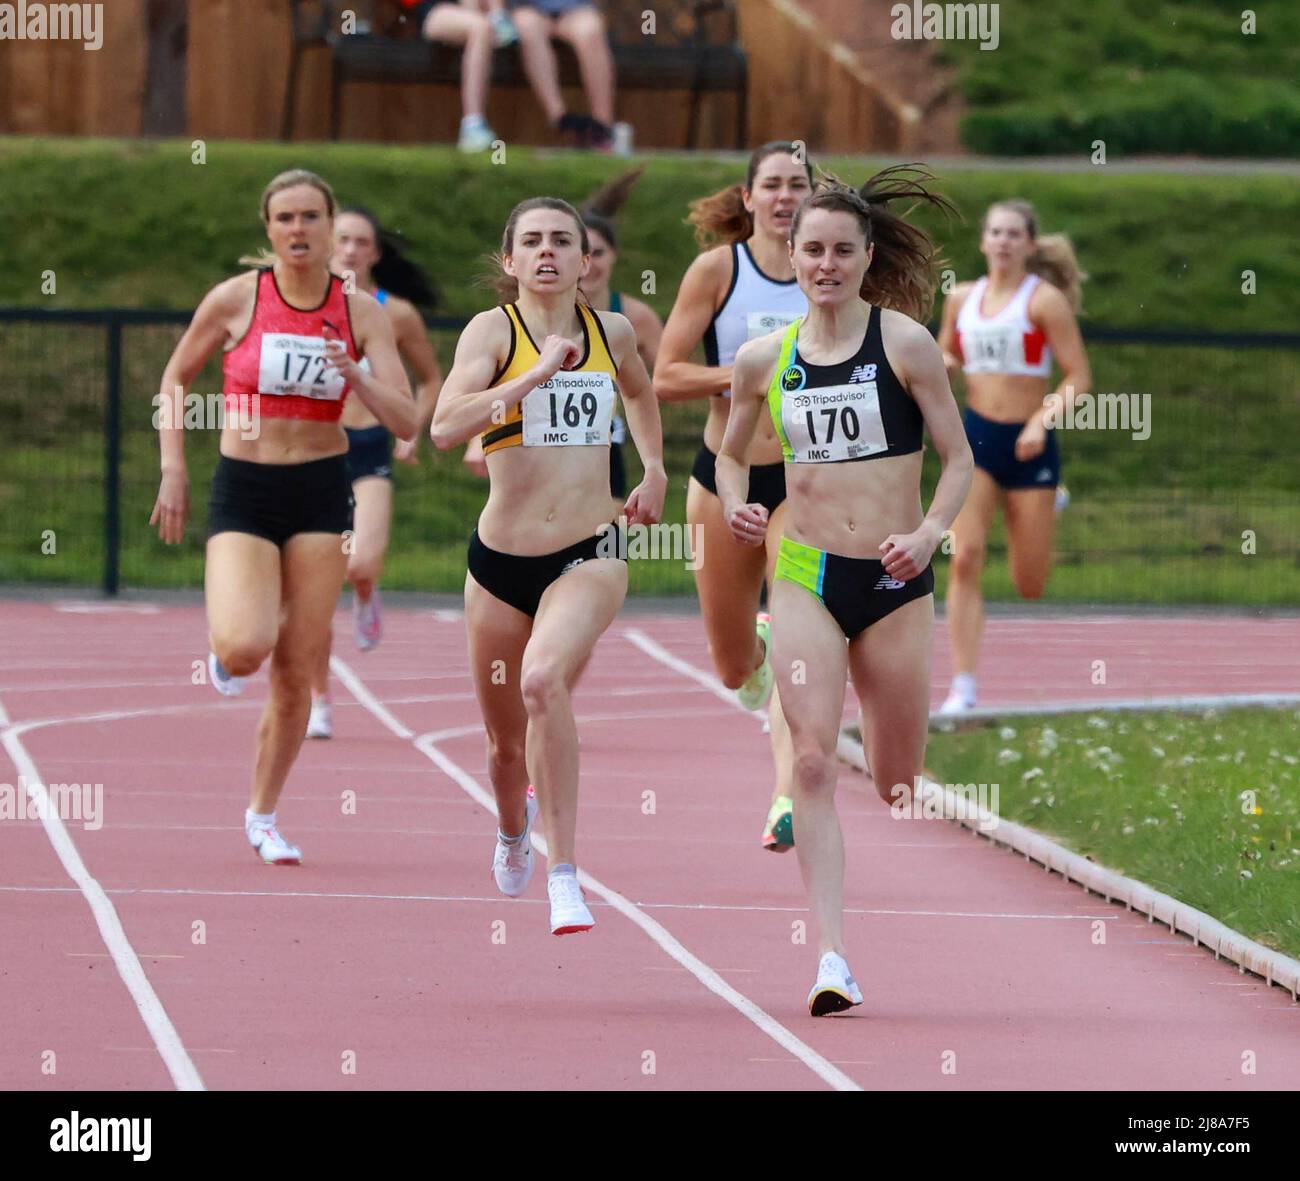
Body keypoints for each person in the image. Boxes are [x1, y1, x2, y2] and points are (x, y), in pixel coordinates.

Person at [716, 169, 973, 1014]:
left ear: (867, 259)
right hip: (806, 576)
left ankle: (885, 760)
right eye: (812, 249)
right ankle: (832, 958)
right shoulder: (764, 358)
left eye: (841, 251)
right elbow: (728, 448)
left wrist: (931, 530)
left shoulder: (905, 345)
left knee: (897, 782)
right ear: (791, 255)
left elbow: (959, 460)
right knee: (815, 760)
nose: (825, 264)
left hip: (895, 581)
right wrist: (735, 503)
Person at [150, 169, 415, 864]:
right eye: (285, 218)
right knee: (245, 647)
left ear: (332, 228)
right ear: (267, 228)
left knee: (296, 666)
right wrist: (173, 466)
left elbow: (407, 414)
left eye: (310, 217)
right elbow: (176, 376)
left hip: (322, 490)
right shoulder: (238, 299)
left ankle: (263, 815)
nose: (298, 230)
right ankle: (224, 649)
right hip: (245, 487)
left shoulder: (363, 315)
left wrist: (355, 373)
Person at [429, 197, 666, 935]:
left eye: (563, 241)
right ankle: (511, 827)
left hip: (590, 550)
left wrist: (654, 466)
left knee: (542, 680)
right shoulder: (491, 332)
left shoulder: (613, 330)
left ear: (585, 261)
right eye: (531, 241)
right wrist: (526, 381)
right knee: (505, 749)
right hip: (499, 561)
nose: (548, 252)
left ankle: (565, 873)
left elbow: (638, 388)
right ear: (509, 261)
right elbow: (443, 427)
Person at [654, 141, 811, 852]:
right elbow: (665, 374)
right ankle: (756, 652)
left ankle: (786, 795)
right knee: (732, 663)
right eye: (771, 185)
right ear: (748, 199)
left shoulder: (831, 272)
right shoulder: (720, 270)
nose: (785, 196)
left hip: (806, 480)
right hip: (726, 472)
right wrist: (746, 376)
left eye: (797, 184)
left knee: (798, 642)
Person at [935, 200, 1091, 714]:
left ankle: (1051, 502)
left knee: (1029, 583)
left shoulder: (1043, 301)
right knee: (965, 559)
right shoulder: (962, 298)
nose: (1002, 242)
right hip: (977, 439)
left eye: (1013, 234)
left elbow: (1078, 378)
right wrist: (946, 362)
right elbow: (947, 353)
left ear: (1028, 244)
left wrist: (1040, 421)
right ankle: (963, 686)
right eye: (994, 232)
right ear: (983, 242)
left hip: (1030, 446)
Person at [306, 206, 445, 740]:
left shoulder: (395, 313)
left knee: (361, 563)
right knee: (315, 588)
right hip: (315, 452)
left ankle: (366, 591)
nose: (350, 250)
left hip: (368, 449)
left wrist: (413, 429)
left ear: (375, 253)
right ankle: (319, 700)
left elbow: (430, 378)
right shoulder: (303, 307)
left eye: (361, 242)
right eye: (341, 239)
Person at [580, 168, 664, 509]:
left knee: (606, 544)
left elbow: (668, 379)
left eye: (598, 253)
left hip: (606, 443)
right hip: (537, 446)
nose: (589, 265)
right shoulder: (539, 316)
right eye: (581, 253)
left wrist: (627, 389)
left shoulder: (636, 316)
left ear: (614, 256)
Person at [398, 0, 511, 151]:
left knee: (484, 26)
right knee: (480, 27)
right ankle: (473, 126)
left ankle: (498, 18)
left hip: (476, 12)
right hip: (432, 11)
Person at [508, 0, 617, 149]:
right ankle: (561, 120)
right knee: (526, 25)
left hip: (575, 9)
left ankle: (602, 128)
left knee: (591, 30)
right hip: (528, 10)